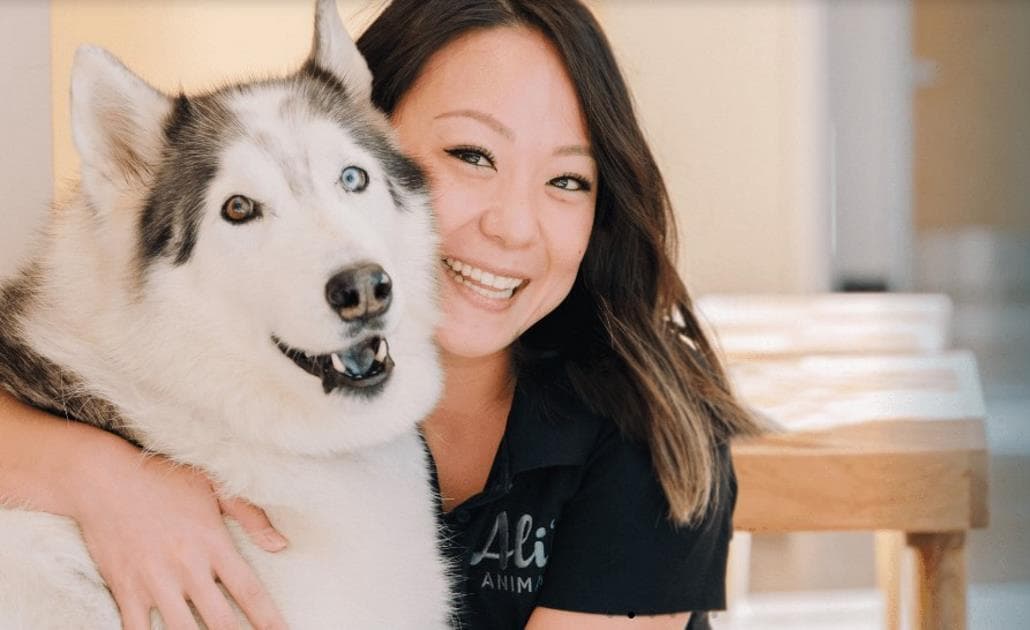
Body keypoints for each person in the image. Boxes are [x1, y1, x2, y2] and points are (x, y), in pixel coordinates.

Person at [0, 0, 765, 628]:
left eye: (568, 181)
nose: (514, 226)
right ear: (381, 123)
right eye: (470, 154)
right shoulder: (246, 392)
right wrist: (104, 479)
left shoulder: (649, 435)